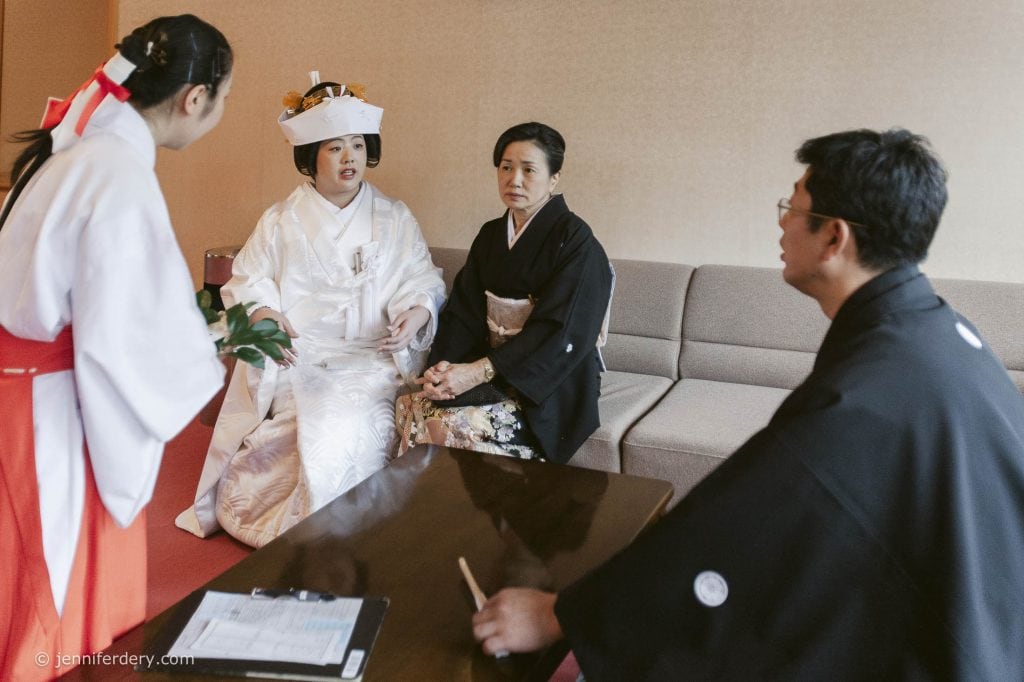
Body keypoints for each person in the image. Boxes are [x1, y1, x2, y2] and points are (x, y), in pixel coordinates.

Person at [470, 129, 1024, 679]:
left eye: (792, 206)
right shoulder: (936, 328)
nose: (781, 222)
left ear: (834, 237)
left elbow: (729, 529)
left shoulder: (866, 395)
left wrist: (564, 615)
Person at [0, 15, 232, 680]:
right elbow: (131, 338)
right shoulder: (114, 173)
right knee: (53, 596)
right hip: (51, 413)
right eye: (224, 99)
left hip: (32, 393)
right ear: (195, 99)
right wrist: (204, 344)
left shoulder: (75, 150)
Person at [176, 74, 445, 548]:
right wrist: (264, 315)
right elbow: (250, 280)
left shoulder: (394, 216)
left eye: (358, 146)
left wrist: (417, 312)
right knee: (302, 421)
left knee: (348, 424)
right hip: (301, 355)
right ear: (311, 155)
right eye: (335, 147)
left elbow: (421, 277)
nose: (349, 159)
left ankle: (329, 533)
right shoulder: (282, 219)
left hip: (371, 358)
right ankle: (298, 526)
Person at [396, 122, 612, 463]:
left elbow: (559, 330)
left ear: (554, 178)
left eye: (529, 170)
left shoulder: (576, 241)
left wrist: (478, 371)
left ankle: (482, 511)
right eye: (506, 167)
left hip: (551, 378)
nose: (515, 180)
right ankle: (431, 510)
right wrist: (445, 366)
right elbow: (463, 312)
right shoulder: (491, 235)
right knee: (413, 406)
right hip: (492, 364)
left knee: (453, 425)